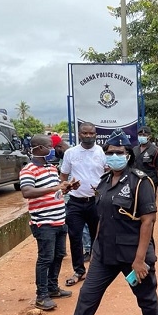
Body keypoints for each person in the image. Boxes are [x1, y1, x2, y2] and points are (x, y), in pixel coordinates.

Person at [44, 129, 158, 315]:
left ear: (128, 155)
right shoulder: (103, 181)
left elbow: (148, 221)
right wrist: (96, 245)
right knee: (87, 298)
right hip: (104, 254)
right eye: (110, 153)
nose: (114, 156)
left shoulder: (140, 182)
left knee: (146, 299)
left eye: (119, 153)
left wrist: (140, 260)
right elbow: (102, 217)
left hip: (132, 256)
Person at [19, 135, 77, 310]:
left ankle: (52, 288)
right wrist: (55, 188)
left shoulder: (51, 168)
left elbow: (55, 193)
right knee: (45, 259)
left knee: (58, 255)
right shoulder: (29, 170)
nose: (52, 149)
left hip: (59, 219)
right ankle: (41, 295)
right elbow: (27, 192)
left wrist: (66, 187)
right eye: (48, 146)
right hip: (43, 223)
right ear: (37, 148)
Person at [60, 122, 106, 287]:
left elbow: (108, 173)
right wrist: (64, 187)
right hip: (75, 203)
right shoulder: (71, 153)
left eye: (91, 133)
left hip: (95, 202)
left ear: (95, 134)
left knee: (97, 236)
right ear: (79, 134)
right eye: (85, 133)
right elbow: (63, 176)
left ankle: (95, 269)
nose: (88, 136)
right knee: (75, 237)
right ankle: (79, 270)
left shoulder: (101, 152)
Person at [133, 126, 158, 197]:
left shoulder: (155, 150)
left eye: (144, 135)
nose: (142, 137)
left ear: (149, 137)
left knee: (149, 205)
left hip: (150, 182)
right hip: (135, 182)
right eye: (140, 135)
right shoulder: (134, 150)